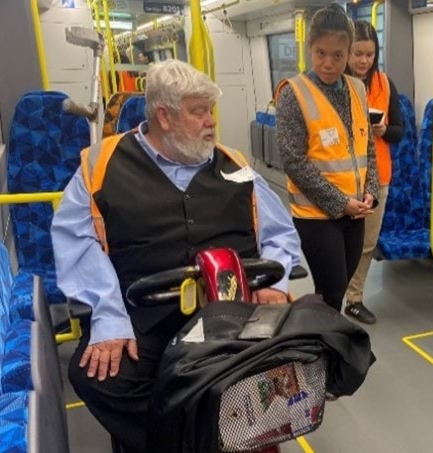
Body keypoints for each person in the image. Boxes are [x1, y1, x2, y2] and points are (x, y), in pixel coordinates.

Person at [51, 59, 301, 453]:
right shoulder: (100, 165)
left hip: (232, 308)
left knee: (310, 349)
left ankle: (206, 434)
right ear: (163, 116)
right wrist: (109, 317)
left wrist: (276, 283)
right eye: (198, 111)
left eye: (211, 110)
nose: (211, 122)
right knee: (97, 378)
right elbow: (76, 244)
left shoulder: (233, 163)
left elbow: (279, 233)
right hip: (147, 318)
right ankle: (187, 440)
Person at [275, 5, 379, 313]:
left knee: (338, 289)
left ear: (348, 52)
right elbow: (294, 162)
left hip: (355, 212)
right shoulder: (293, 93)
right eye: (321, 53)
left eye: (337, 55)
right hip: (316, 216)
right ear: (309, 48)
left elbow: (367, 147)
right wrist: (339, 202)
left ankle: (324, 346)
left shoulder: (357, 88)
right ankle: (322, 352)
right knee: (331, 290)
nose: (329, 63)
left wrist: (370, 190)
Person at [342, 20, 405, 324]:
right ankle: (330, 298)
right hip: (340, 177)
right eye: (358, 54)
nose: (363, 61)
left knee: (366, 244)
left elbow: (399, 130)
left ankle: (353, 299)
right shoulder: (335, 83)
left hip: (377, 176)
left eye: (369, 54)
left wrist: (382, 130)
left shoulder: (383, 83)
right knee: (337, 244)